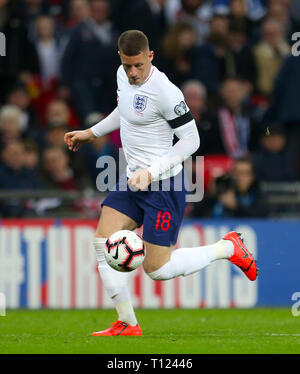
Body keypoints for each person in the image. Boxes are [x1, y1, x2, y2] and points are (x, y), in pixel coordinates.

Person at [64, 30, 257, 336]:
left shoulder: (166, 91)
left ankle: (226, 248)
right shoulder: (122, 75)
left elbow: (191, 140)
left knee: (158, 270)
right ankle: (127, 323)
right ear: (121, 60)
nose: (133, 72)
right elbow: (124, 111)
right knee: (102, 241)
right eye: (128, 65)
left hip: (163, 185)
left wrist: (152, 172)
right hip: (133, 180)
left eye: (138, 65)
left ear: (150, 56)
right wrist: (92, 133)